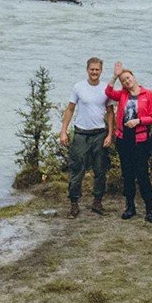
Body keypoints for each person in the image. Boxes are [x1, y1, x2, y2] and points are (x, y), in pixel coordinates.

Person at [59, 56, 114, 218]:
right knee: (77, 169)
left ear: (101, 71)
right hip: (81, 133)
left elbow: (110, 112)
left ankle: (97, 202)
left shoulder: (106, 89)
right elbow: (70, 109)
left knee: (100, 169)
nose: (94, 72)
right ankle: (74, 203)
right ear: (87, 70)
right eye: (92, 69)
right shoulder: (78, 87)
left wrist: (110, 134)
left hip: (100, 133)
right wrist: (63, 131)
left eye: (97, 70)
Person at [106, 63, 152, 221]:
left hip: (140, 140)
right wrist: (115, 76)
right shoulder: (122, 94)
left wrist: (138, 121)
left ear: (134, 78)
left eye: (128, 78)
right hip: (123, 139)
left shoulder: (148, 94)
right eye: (123, 80)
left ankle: (149, 208)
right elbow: (107, 92)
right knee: (127, 174)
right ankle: (130, 206)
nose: (126, 82)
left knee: (142, 174)